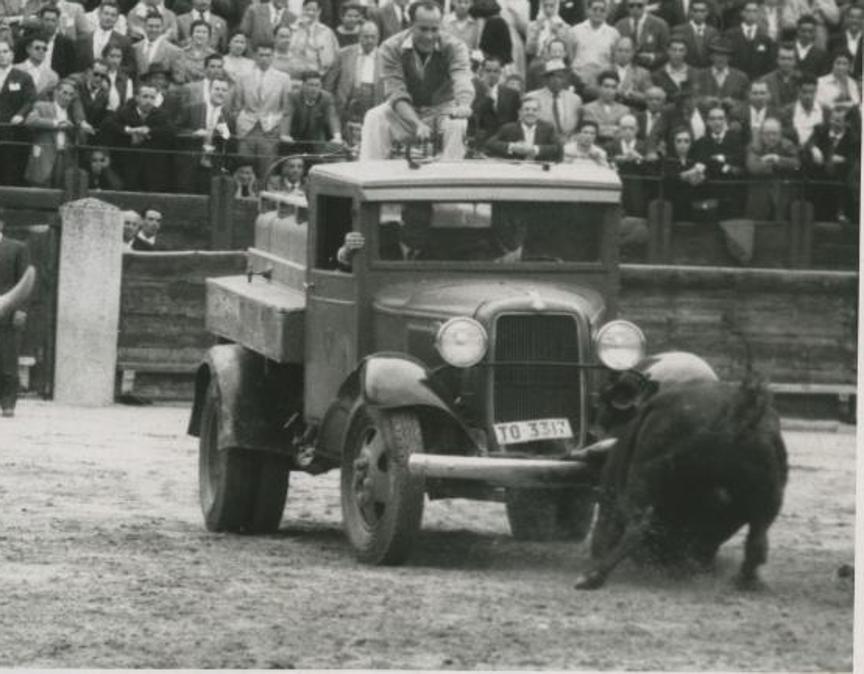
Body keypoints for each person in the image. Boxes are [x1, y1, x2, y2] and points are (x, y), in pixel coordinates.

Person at [359, 0, 474, 160]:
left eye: (435, 29)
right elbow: (396, 93)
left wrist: (464, 104)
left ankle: (450, 176)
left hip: (442, 111)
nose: (429, 36)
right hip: (405, 111)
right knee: (375, 116)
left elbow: (462, 77)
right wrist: (417, 123)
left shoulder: (455, 47)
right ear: (411, 24)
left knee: (458, 123)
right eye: (423, 29)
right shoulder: (390, 47)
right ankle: (370, 171)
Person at [231, 40, 293, 181]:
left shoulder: (283, 78)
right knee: (244, 170)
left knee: (267, 171)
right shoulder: (243, 77)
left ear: (273, 57)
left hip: (270, 129)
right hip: (247, 129)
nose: (264, 58)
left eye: (268, 55)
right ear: (255, 56)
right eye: (261, 55)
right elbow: (237, 105)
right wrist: (239, 123)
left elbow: (286, 109)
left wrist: (281, 131)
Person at [102, 82, 175, 192]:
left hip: (153, 167)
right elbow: (107, 124)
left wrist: (149, 131)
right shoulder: (125, 112)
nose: (148, 101)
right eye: (145, 96)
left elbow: (171, 130)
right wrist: (129, 131)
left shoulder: (162, 114)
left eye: (152, 97)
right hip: (128, 164)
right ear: (137, 98)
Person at [24, 78, 89, 187]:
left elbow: (82, 141)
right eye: (65, 93)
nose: (67, 97)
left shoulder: (74, 114)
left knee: (61, 190)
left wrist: (77, 128)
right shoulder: (42, 106)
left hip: (65, 157)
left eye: (71, 94)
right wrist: (56, 123)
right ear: (56, 92)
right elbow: (30, 121)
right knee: (40, 189)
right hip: (45, 155)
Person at [174, 75, 233, 193]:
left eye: (224, 90)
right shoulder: (192, 108)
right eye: (217, 89)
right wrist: (193, 133)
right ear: (209, 90)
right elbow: (175, 131)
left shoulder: (229, 116)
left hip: (213, 167)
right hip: (190, 164)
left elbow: (230, 143)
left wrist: (224, 136)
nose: (220, 93)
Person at [804, 104, 859, 221]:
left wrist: (844, 160)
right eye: (832, 119)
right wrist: (813, 148)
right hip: (820, 183)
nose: (834, 123)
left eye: (838, 121)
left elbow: (856, 161)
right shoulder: (820, 130)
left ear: (847, 123)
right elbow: (807, 145)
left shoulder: (854, 139)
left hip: (841, 186)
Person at [691, 103, 746, 217]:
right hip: (710, 194)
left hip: (732, 194)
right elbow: (703, 164)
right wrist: (727, 167)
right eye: (713, 119)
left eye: (720, 118)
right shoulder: (700, 143)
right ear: (707, 121)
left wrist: (722, 159)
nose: (717, 122)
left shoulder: (736, 140)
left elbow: (740, 161)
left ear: (725, 120)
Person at [325, 20, 383, 126]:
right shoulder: (343, 54)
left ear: (378, 38)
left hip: (373, 105)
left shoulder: (385, 57)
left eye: (373, 37)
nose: (369, 40)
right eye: (366, 36)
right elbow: (329, 84)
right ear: (359, 36)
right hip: (345, 105)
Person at [0, 215, 30, 417]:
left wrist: (21, 309)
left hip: (7, 311)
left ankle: (8, 403)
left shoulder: (17, 247)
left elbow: (25, 281)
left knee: (7, 359)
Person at [744, 116, 801, 220]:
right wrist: (777, 165)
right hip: (759, 196)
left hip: (782, 195)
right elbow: (753, 167)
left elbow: (797, 164)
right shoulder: (754, 146)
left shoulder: (787, 145)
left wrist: (776, 158)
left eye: (775, 133)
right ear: (761, 134)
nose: (771, 137)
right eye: (767, 134)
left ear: (780, 134)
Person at [0, 38, 36, 186]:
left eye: (5, 51)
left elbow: (30, 100)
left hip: (13, 131)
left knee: (10, 169)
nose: (1, 55)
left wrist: (20, 114)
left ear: (12, 55)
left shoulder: (23, 77)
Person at [484, 94, 560, 159]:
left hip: (540, 170)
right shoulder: (508, 128)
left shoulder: (548, 128)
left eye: (534, 110)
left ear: (539, 113)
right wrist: (513, 147)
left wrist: (535, 149)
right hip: (515, 170)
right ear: (520, 112)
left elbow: (557, 148)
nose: (530, 113)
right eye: (526, 109)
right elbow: (490, 144)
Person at [527, 57, 583, 141]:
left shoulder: (575, 99)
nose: (557, 80)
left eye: (560, 77)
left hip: (569, 142)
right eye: (552, 77)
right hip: (541, 142)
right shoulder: (532, 97)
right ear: (546, 79)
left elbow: (579, 127)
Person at [568, 0, 619, 88]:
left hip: (603, 81)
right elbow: (570, 57)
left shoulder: (614, 34)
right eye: (595, 9)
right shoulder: (575, 31)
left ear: (606, 13)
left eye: (602, 10)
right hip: (578, 79)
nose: (598, 13)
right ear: (588, 11)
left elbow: (614, 60)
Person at [74, 0, 133, 74]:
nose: (108, 18)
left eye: (113, 15)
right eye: (106, 13)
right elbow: (77, 66)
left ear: (117, 18)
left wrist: (111, 69)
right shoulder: (83, 40)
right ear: (99, 14)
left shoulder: (124, 41)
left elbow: (131, 68)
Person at [284, 69, 342, 143]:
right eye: (311, 85)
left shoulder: (327, 98)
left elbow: (332, 117)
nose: (314, 89)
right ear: (303, 85)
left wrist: (337, 136)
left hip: (317, 141)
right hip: (295, 140)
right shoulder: (293, 97)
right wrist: (284, 135)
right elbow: (287, 116)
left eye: (317, 85)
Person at [471, 55, 520, 143]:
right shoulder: (473, 92)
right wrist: (488, 96)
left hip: (505, 142)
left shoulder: (512, 94)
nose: (492, 74)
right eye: (488, 71)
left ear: (500, 72)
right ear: (482, 71)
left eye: (496, 71)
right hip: (482, 142)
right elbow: (475, 116)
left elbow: (514, 121)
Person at [662, 125, 707, 221]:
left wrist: (699, 176)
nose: (683, 144)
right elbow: (674, 178)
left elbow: (696, 182)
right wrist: (694, 171)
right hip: (672, 207)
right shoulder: (667, 160)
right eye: (679, 141)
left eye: (686, 141)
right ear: (673, 142)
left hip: (692, 207)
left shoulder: (693, 160)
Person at [285, 0, 340, 79]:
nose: (310, 13)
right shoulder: (292, 29)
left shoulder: (326, 32)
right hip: (293, 76)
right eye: (307, 9)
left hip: (317, 78)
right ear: (302, 9)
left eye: (314, 10)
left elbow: (331, 60)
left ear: (319, 11)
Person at [725, 0, 776, 80]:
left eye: (755, 11)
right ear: (742, 13)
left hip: (757, 81)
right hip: (735, 80)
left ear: (758, 14)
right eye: (748, 11)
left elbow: (769, 64)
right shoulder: (730, 35)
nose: (751, 14)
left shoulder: (765, 39)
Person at [693, 38, 750, 107]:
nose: (721, 59)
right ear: (711, 57)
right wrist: (704, 101)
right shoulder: (700, 76)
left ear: (729, 58)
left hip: (733, 116)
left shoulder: (741, 77)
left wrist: (735, 103)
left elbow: (748, 102)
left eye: (724, 55)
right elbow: (692, 99)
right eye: (717, 54)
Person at [608, 113, 647, 214]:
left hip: (638, 188)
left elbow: (650, 168)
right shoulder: (611, 146)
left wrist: (639, 158)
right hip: (617, 185)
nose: (628, 131)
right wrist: (615, 160)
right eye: (624, 128)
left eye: (631, 128)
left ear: (637, 129)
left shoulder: (644, 146)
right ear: (619, 129)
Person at [614, 0, 670, 70]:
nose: (635, 8)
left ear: (645, 5)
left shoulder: (660, 25)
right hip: (625, 71)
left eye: (639, 5)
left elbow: (667, 52)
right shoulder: (620, 25)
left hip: (651, 70)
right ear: (627, 7)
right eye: (631, 6)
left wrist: (652, 57)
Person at [133, 11, 185, 85]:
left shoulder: (175, 51)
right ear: (144, 26)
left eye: (157, 26)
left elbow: (178, 80)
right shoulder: (134, 48)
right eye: (150, 26)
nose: (154, 29)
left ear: (162, 27)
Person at [581, 69, 629, 142]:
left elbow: (624, 132)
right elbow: (592, 130)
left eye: (613, 87)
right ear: (599, 87)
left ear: (617, 90)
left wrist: (601, 128)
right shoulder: (588, 108)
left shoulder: (624, 110)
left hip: (616, 147)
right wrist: (614, 128)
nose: (609, 90)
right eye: (606, 86)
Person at [605, 35, 651, 108]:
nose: (623, 54)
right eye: (620, 50)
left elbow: (649, 97)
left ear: (633, 53)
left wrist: (632, 94)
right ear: (614, 52)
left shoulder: (643, 73)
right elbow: (594, 89)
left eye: (627, 51)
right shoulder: (605, 69)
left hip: (632, 110)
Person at [780, 73, 826, 144]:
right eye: (804, 92)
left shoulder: (825, 111)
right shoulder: (787, 112)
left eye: (811, 92)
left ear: (816, 91)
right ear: (798, 91)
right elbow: (783, 136)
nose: (808, 96)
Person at [671, 0, 718, 69]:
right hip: (686, 71)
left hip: (706, 72)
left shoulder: (713, 32)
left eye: (702, 11)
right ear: (690, 12)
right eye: (695, 11)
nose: (699, 14)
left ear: (707, 12)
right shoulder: (679, 30)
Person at [652, 36, 696, 107]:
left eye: (681, 50)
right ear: (668, 51)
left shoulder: (695, 73)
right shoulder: (657, 76)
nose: (677, 54)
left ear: (686, 52)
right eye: (674, 50)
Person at [759, 42, 803, 108]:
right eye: (783, 58)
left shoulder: (803, 79)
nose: (786, 62)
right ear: (777, 60)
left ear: (795, 61)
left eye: (790, 59)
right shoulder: (765, 81)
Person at [15, 31, 58, 95]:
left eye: (44, 49)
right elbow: (12, 92)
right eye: (37, 48)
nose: (41, 51)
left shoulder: (52, 76)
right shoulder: (15, 70)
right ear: (28, 49)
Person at [828, 3, 862, 80]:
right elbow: (829, 64)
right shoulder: (834, 40)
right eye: (852, 17)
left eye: (859, 18)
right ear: (846, 18)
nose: (855, 20)